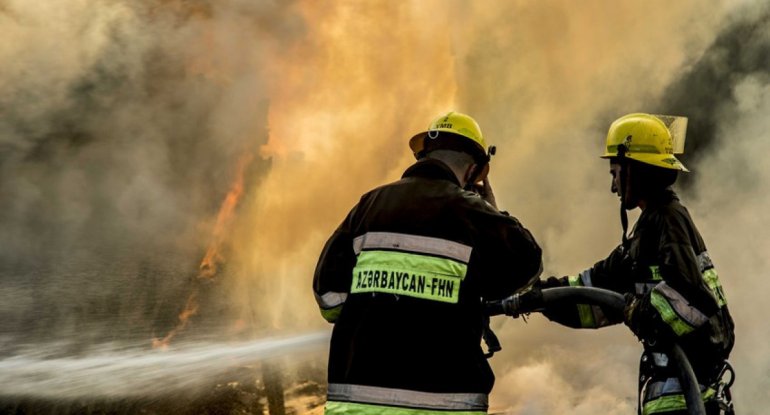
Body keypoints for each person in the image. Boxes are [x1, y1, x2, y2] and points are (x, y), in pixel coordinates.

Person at [312, 111, 543, 414]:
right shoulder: (472, 213)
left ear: (423, 156)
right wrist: (493, 210)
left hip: (358, 404)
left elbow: (328, 297)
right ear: (474, 172)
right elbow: (528, 265)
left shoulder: (369, 206)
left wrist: (377, 309)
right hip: (442, 405)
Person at [528, 113, 735, 414]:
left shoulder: (669, 219)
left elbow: (694, 298)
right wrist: (536, 297)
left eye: (615, 173)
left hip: (688, 399)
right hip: (669, 396)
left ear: (635, 170)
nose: (613, 186)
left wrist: (642, 311)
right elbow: (591, 294)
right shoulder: (645, 235)